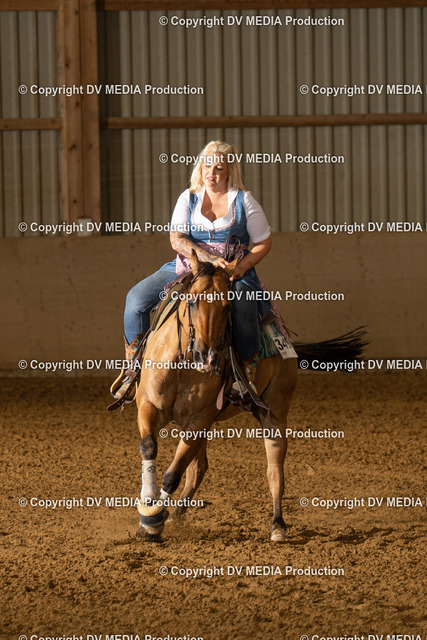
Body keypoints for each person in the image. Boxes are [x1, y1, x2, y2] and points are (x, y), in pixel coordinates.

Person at [111, 140, 272, 402]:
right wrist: (210, 258)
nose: (211, 173)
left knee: (243, 305)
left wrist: (241, 267)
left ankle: (246, 372)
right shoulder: (188, 197)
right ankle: (133, 368)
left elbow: (264, 242)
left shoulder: (245, 201)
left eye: (219, 168)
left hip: (231, 272)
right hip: (189, 266)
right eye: (207, 166)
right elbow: (177, 240)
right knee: (136, 299)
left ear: (230, 171)